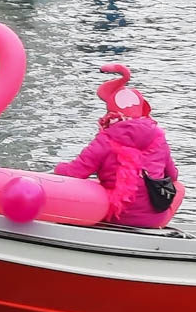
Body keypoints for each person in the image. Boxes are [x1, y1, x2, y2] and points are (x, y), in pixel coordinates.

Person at [55, 64, 182, 228]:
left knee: (94, 187)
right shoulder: (159, 138)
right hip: (154, 221)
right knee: (179, 188)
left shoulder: (105, 139)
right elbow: (173, 176)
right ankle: (157, 226)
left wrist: (58, 169)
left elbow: (75, 173)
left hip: (116, 217)